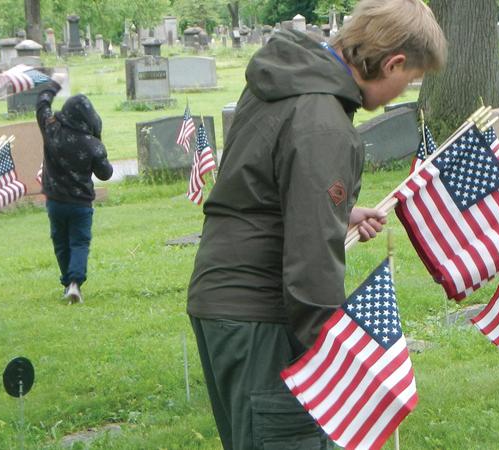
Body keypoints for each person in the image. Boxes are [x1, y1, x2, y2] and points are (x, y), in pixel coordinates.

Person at [186, 0, 446, 447]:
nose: (402, 94)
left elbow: (265, 182)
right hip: (260, 312)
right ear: (393, 62)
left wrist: (340, 211)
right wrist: (332, 361)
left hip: (222, 297)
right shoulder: (324, 122)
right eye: (407, 83)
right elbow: (312, 262)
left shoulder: (287, 76)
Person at [35, 77, 113, 304]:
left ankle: (66, 282)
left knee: (60, 242)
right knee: (79, 242)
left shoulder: (51, 130)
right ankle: (75, 283)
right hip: (80, 205)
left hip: (55, 202)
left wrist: (53, 86)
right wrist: (99, 147)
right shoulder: (92, 144)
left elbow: (42, 105)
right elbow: (105, 174)